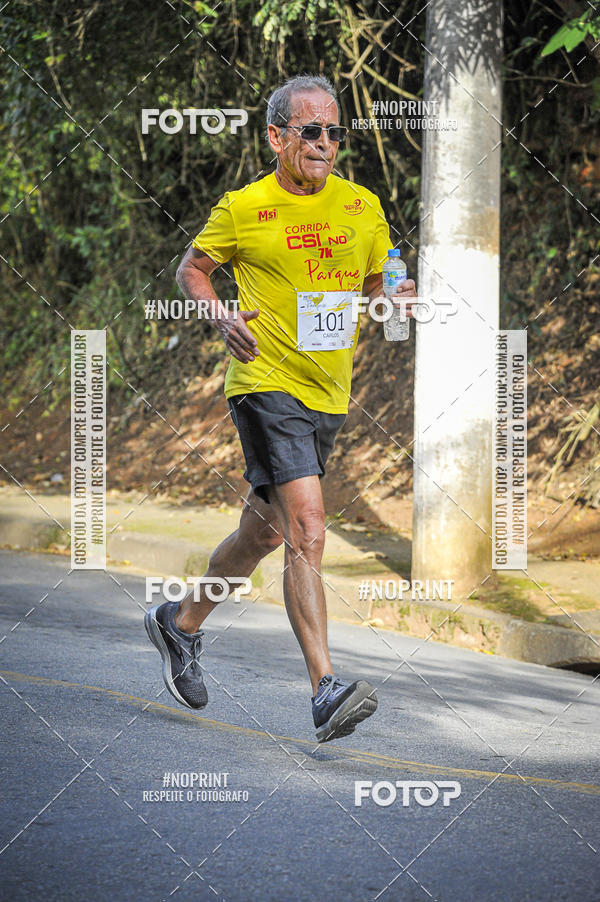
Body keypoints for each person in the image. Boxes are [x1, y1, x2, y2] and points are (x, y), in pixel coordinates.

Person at [145, 74, 417, 742]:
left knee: (264, 534)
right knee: (309, 528)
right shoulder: (245, 207)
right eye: (311, 131)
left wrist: (395, 298)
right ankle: (325, 688)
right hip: (265, 383)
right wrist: (219, 317)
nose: (325, 145)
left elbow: (380, 281)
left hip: (329, 392)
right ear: (276, 136)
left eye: (335, 132)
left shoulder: (363, 206)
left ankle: (178, 624)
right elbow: (192, 269)